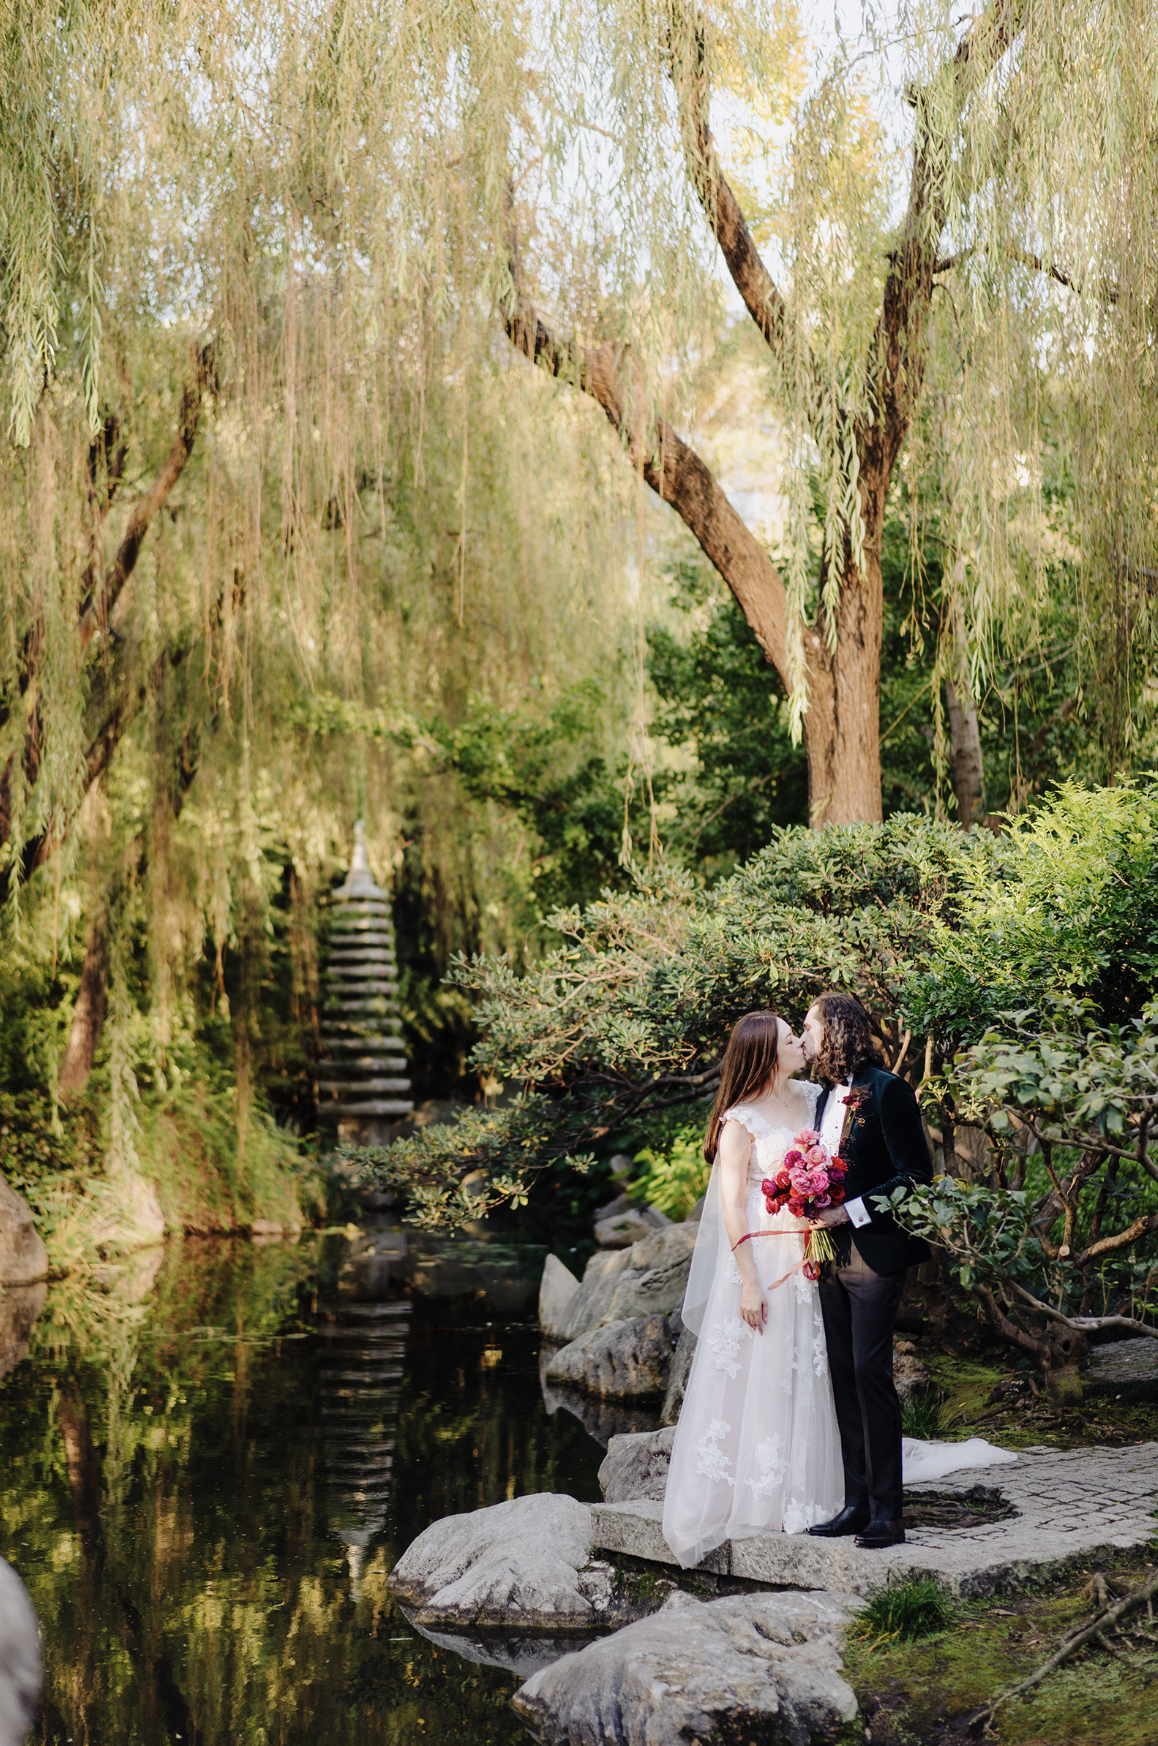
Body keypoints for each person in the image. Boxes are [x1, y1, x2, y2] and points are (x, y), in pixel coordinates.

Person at [661, 1010, 843, 1568]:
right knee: (760, 1367)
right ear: (767, 1053)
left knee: (804, 1366)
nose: (800, 1042)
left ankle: (807, 1490)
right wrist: (747, 1283)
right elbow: (730, 1205)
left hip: (808, 1252)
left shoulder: (818, 1097)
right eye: (791, 1038)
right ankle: (754, 1496)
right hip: (762, 1257)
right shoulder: (740, 1121)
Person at [801, 990, 932, 1549]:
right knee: (840, 1371)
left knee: (869, 1372)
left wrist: (848, 1210)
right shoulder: (821, 1099)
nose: (803, 1037)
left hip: (875, 1253)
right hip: (828, 1258)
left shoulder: (888, 1091)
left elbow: (916, 1175)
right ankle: (855, 1504)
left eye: (808, 1027)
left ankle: (888, 1513)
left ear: (835, 1030)